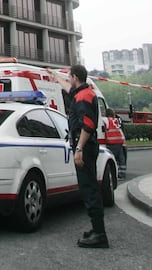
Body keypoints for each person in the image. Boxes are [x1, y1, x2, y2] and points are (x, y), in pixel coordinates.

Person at [48, 64, 109, 249]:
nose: (68, 80)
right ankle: (96, 230)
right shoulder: (84, 92)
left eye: (69, 77)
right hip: (87, 146)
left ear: (75, 77)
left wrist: (80, 149)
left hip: (85, 147)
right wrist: (55, 76)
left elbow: (88, 126)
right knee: (88, 187)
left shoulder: (83, 97)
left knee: (89, 189)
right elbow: (69, 89)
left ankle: (99, 234)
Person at [103, 108, 127, 179]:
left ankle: (114, 174)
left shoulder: (106, 120)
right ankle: (122, 174)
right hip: (120, 141)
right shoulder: (116, 120)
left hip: (111, 142)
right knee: (121, 159)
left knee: (112, 158)